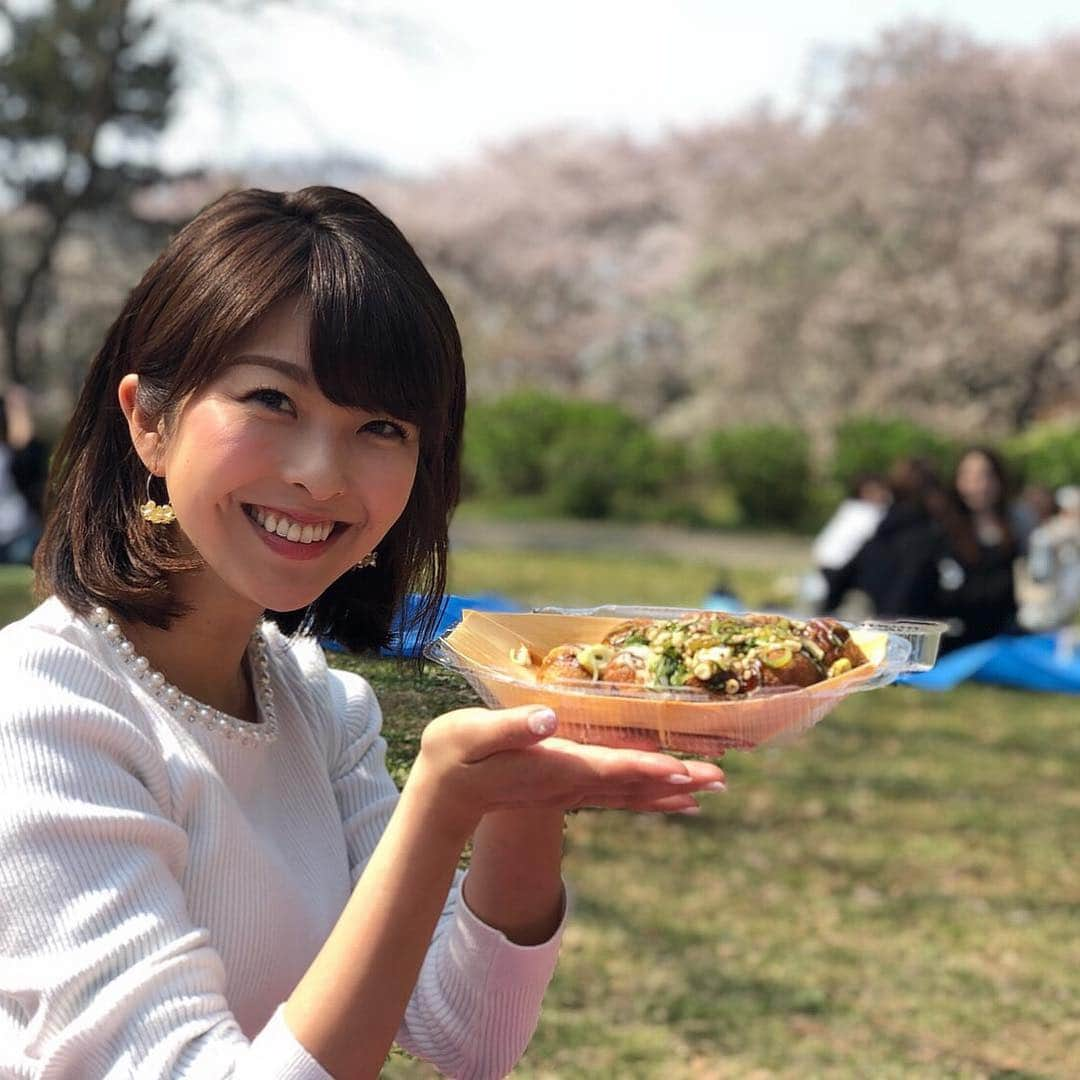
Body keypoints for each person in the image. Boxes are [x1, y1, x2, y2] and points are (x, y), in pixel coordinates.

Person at [0, 187, 726, 1079]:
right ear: (149, 418)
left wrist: (521, 799)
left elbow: (466, 1034)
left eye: (381, 427)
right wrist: (438, 808)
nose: (321, 476)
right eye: (272, 400)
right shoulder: (37, 717)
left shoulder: (318, 707)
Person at [935, 446, 1020, 651]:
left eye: (985, 476)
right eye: (968, 476)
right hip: (956, 641)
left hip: (1003, 638)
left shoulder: (1015, 529)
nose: (977, 485)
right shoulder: (940, 532)